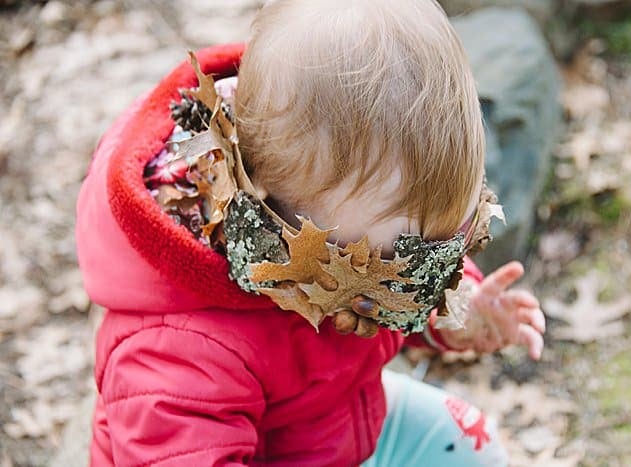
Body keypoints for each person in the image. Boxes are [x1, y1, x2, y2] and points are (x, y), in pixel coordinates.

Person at [76, 0, 545, 465]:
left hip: (331, 421)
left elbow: (394, 292)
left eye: (446, 244)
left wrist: (452, 314)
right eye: (405, 263)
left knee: (468, 444)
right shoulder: (178, 355)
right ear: (282, 223)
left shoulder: (346, 226)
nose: (427, 274)